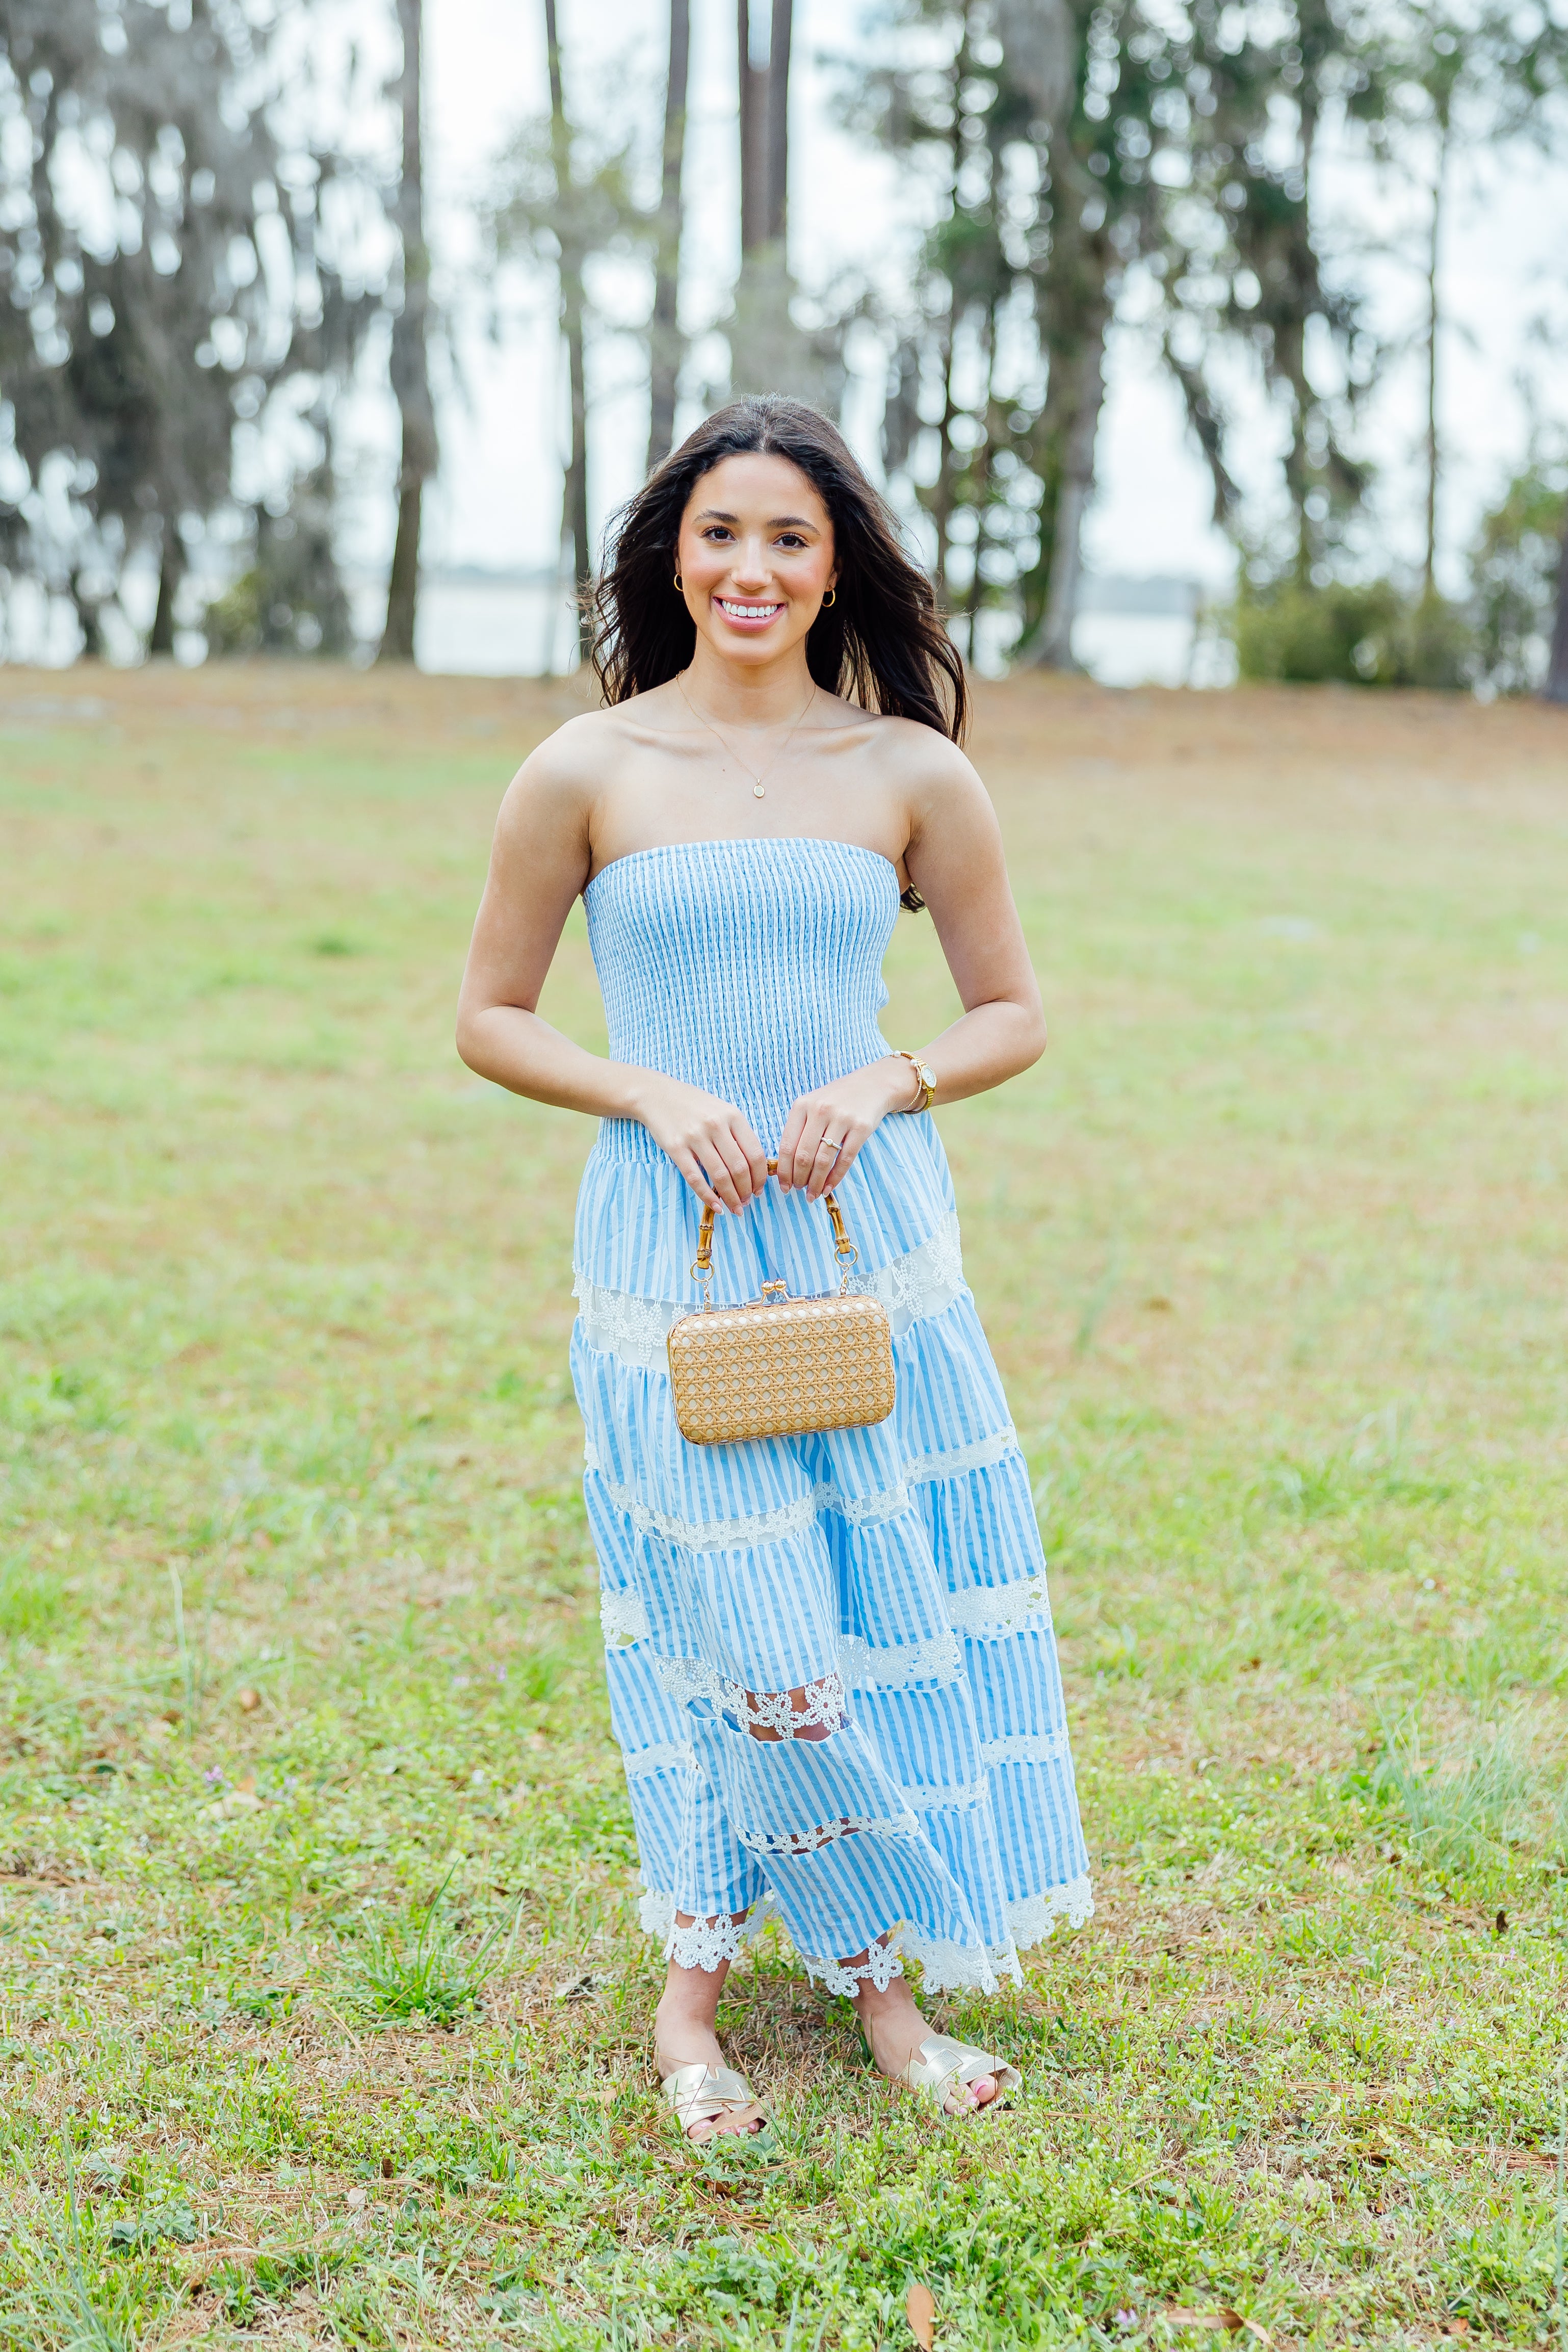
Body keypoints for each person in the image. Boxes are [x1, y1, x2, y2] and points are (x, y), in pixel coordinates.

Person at [456, 396, 1091, 2141]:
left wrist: (881, 1081)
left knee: (866, 1610)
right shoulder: (584, 768)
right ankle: (691, 1997)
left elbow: (1011, 1011)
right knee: (731, 1625)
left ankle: (878, 1991)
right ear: (674, 549)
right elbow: (489, 1017)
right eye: (720, 532)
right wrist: (644, 1086)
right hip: (668, 1247)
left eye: (788, 539)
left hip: (859, 1242)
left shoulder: (906, 772)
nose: (750, 567)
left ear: (836, 570)